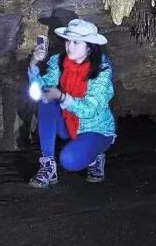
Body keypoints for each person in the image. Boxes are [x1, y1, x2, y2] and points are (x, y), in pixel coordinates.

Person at [26, 18, 116, 188]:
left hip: (95, 129)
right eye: (68, 41)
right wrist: (33, 64)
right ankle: (48, 165)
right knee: (46, 102)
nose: (70, 47)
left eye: (76, 42)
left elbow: (90, 109)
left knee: (69, 160)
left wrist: (61, 97)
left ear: (89, 46)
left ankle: (96, 155)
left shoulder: (102, 71)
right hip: (69, 122)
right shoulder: (59, 62)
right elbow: (41, 90)